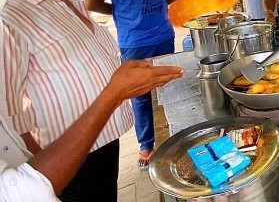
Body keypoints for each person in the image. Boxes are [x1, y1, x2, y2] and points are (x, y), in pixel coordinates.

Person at [1, 0, 129, 201]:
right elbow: (7, 111)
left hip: (102, 138)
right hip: (65, 158)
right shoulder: (9, 20)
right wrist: (43, 170)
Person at [84, 0, 182, 170]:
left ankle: (174, 136)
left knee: (168, 87)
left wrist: (160, 5)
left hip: (163, 36)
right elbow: (91, 2)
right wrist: (121, 12)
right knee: (140, 95)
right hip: (134, 42)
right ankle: (146, 145)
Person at [0, 60, 184, 202]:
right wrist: (114, 94)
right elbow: (24, 193)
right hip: (61, 157)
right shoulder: (11, 19)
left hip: (100, 136)